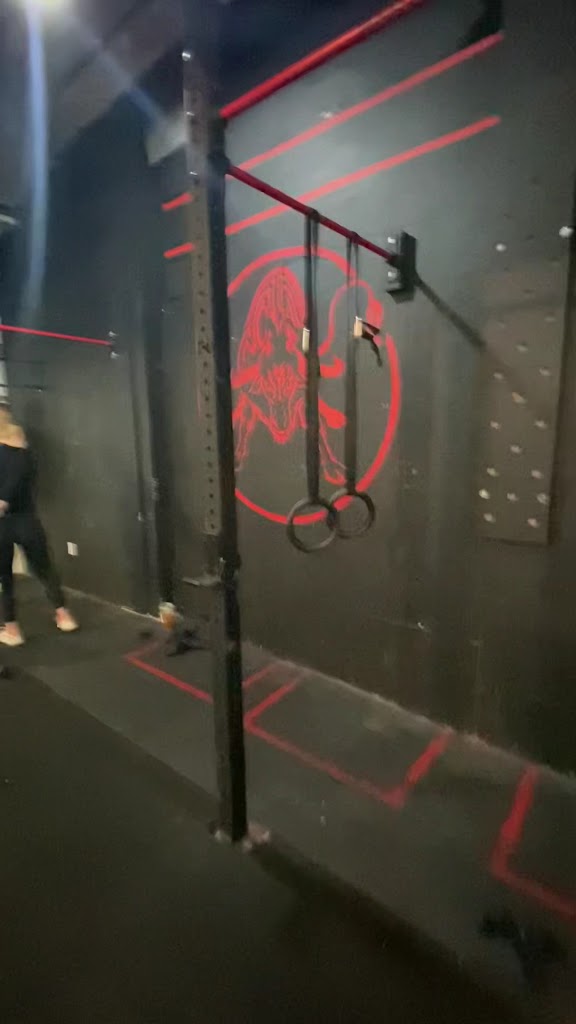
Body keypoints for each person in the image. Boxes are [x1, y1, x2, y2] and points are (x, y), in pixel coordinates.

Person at [0, 402, 77, 646]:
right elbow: (23, 479)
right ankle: (64, 615)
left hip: (6, 522)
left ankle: (12, 631)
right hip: (27, 519)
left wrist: (3, 501)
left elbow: (6, 494)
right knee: (44, 568)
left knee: (5, 578)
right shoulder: (25, 451)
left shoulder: (10, 451)